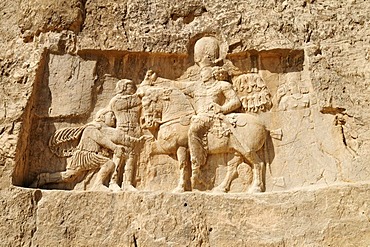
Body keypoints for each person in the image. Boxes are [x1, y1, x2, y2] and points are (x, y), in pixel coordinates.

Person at [31, 108, 125, 191]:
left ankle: (44, 178)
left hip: (86, 156)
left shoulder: (98, 129)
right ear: (102, 117)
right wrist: (114, 147)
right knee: (108, 164)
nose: (114, 118)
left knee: (69, 176)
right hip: (85, 155)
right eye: (111, 115)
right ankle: (97, 185)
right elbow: (101, 140)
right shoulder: (92, 128)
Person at [108, 79, 142, 191]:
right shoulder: (116, 101)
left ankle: (127, 182)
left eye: (133, 86)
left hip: (135, 130)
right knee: (118, 155)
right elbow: (127, 104)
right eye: (129, 87)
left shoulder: (136, 99)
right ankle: (113, 181)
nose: (132, 89)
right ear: (122, 87)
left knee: (131, 157)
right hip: (121, 130)